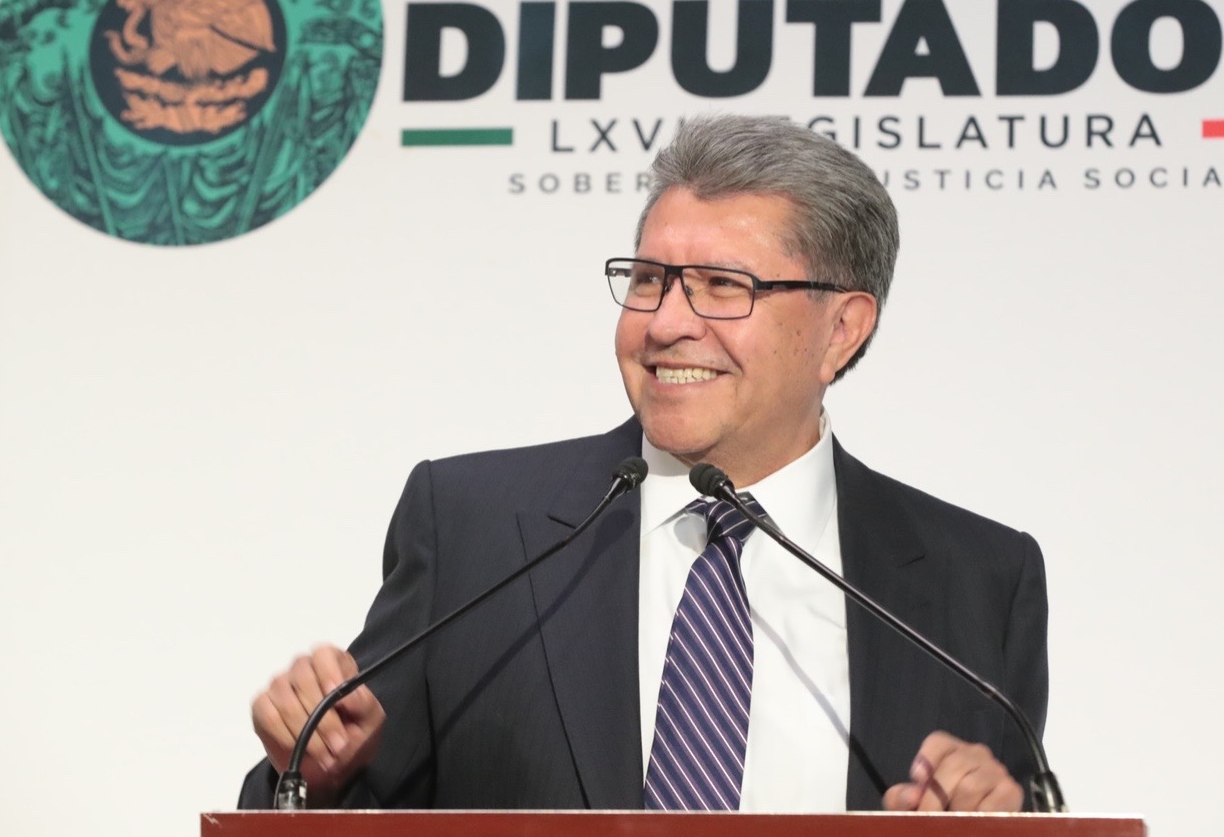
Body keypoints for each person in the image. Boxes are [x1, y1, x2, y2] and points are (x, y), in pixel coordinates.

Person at [240, 114, 1048, 813]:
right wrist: (317, 774)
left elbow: (1019, 805)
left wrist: (1003, 823)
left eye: (723, 286)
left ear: (842, 329)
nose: (664, 324)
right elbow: (323, 790)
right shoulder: (472, 532)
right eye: (650, 280)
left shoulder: (978, 580)